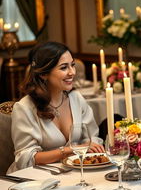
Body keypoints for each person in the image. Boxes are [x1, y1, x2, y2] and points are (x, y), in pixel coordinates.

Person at [8, 41, 104, 173]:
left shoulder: (76, 98)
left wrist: (92, 147)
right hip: (35, 178)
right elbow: (26, 159)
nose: (72, 72)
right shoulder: (24, 108)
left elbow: (92, 138)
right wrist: (71, 150)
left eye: (72, 65)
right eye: (64, 67)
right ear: (43, 74)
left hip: (74, 171)